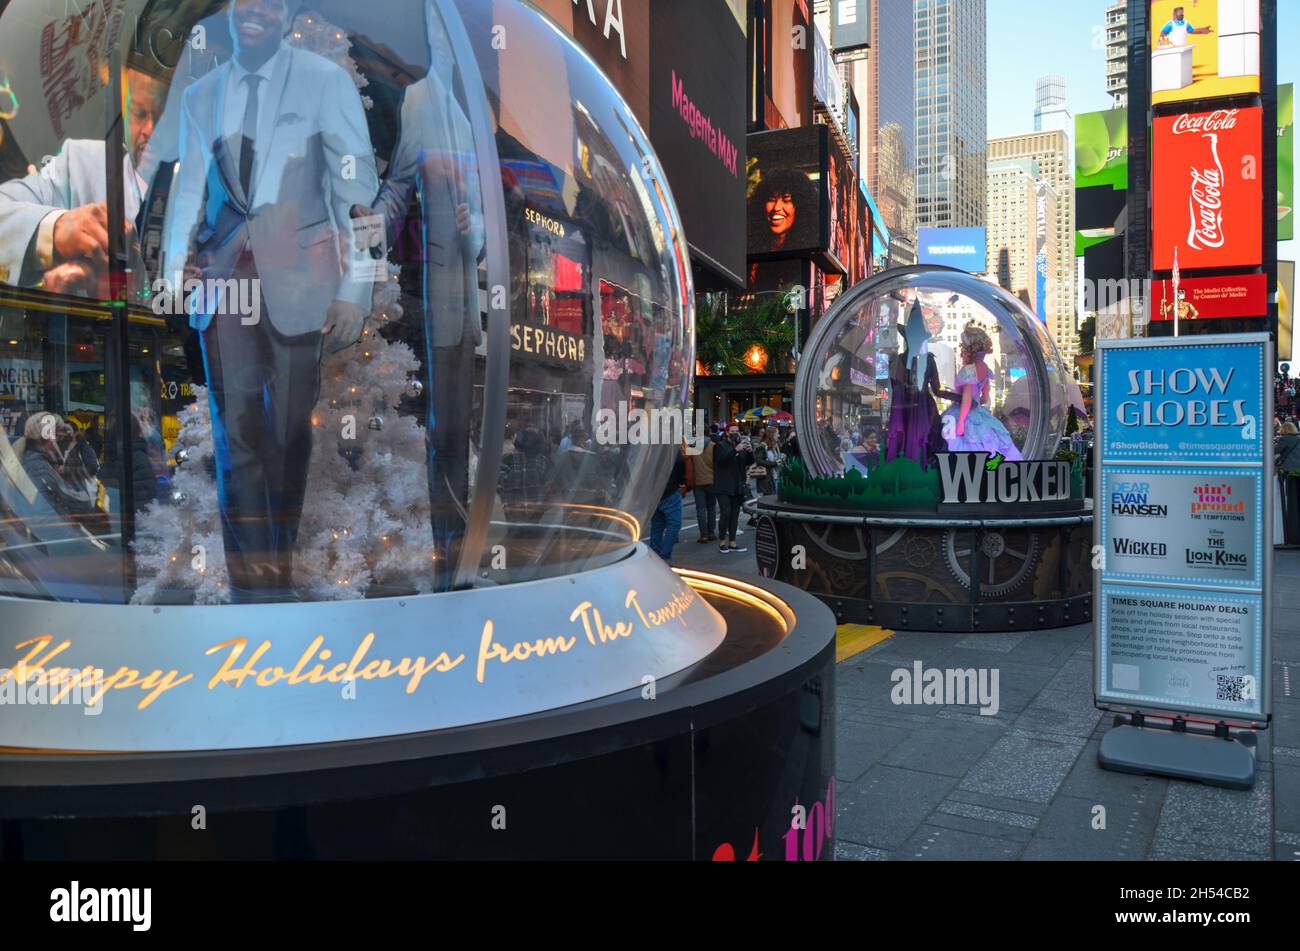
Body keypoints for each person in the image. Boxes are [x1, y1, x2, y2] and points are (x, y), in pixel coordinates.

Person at [161, 0, 379, 602]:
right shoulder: (200, 96)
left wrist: (356, 291)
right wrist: (171, 266)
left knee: (288, 434)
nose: (254, 8)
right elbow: (186, 191)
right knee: (237, 432)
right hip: (224, 278)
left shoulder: (324, 82)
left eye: (269, 1)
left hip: (300, 281)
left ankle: (276, 573)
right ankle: (250, 591)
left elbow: (358, 194)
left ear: (285, 14)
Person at [364, 0, 484, 590]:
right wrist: (371, 231)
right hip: (432, 294)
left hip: (466, 300)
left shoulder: (469, 115)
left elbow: (484, 225)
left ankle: (460, 555)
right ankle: (446, 555)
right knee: (442, 427)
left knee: (459, 428)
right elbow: (398, 187)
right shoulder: (421, 102)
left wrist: (473, 228)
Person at [0, 67, 167, 295]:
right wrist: (55, 229)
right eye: (139, 113)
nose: (151, 130)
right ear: (124, 109)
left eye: (163, 117)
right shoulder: (78, 166)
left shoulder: (204, 192)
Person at [942, 323, 1023, 460]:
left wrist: (961, 423)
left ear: (968, 349)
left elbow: (967, 399)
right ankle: (991, 470)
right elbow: (985, 397)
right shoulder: (985, 368)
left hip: (965, 414)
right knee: (991, 445)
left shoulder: (968, 370)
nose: (962, 351)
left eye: (963, 347)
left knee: (965, 446)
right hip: (979, 412)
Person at [14, 412, 104, 524]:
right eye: (61, 433)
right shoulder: (37, 466)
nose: (65, 437)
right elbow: (45, 516)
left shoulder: (43, 461)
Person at [749, 169, 816, 253]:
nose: (776, 207)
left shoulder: (809, 249)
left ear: (801, 206)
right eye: (771, 199)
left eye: (786, 200)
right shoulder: (749, 246)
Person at [712, 425, 753, 553]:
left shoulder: (741, 447)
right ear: (727, 433)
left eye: (736, 431)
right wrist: (735, 449)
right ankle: (722, 540)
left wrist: (750, 451)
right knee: (726, 513)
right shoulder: (720, 446)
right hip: (723, 486)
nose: (735, 434)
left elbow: (747, 462)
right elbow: (721, 461)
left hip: (737, 485)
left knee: (735, 515)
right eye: (732, 432)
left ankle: (733, 542)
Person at [649, 449, 686, 561]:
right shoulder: (673, 451)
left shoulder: (651, 450)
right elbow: (680, 464)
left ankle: (655, 553)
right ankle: (664, 554)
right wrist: (681, 482)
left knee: (657, 525)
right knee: (674, 524)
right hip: (669, 491)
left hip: (654, 492)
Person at [692, 428, 718, 542]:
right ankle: (711, 532)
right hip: (711, 480)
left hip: (698, 481)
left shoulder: (692, 446)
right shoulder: (713, 446)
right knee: (711, 507)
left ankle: (703, 534)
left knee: (700, 509)